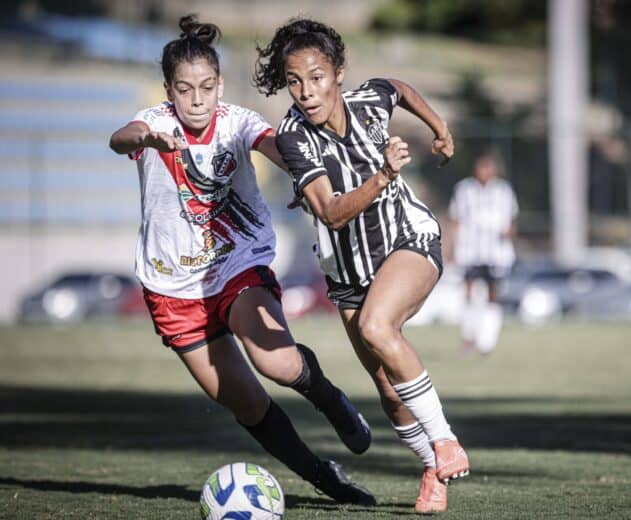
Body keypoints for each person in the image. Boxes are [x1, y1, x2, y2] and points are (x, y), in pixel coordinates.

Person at [108, 15, 375, 505]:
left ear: (220, 85)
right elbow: (120, 137)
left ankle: (331, 399)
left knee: (274, 361)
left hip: (235, 262)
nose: (196, 99)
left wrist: (307, 177)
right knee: (247, 403)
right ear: (169, 89)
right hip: (172, 288)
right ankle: (323, 476)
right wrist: (145, 139)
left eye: (206, 87)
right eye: (184, 89)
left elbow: (277, 148)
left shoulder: (237, 121)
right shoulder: (155, 123)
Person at [253, 18, 470, 514]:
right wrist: (384, 173)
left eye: (317, 77)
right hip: (347, 271)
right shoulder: (293, 138)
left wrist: (440, 127)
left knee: (378, 326)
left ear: (339, 73)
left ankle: (445, 442)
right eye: (294, 81)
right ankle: (434, 469)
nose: (306, 91)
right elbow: (331, 211)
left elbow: (399, 88)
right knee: (389, 392)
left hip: (408, 238)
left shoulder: (369, 101)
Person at [449, 150, 518, 355]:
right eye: (482, 167)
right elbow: (456, 220)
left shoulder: (504, 191)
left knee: (492, 295)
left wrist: (508, 232)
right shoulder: (464, 190)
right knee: (469, 292)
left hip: (495, 252)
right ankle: (469, 337)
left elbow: (512, 221)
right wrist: (452, 248)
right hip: (470, 251)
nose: (485, 172)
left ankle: (487, 341)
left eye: (489, 167)